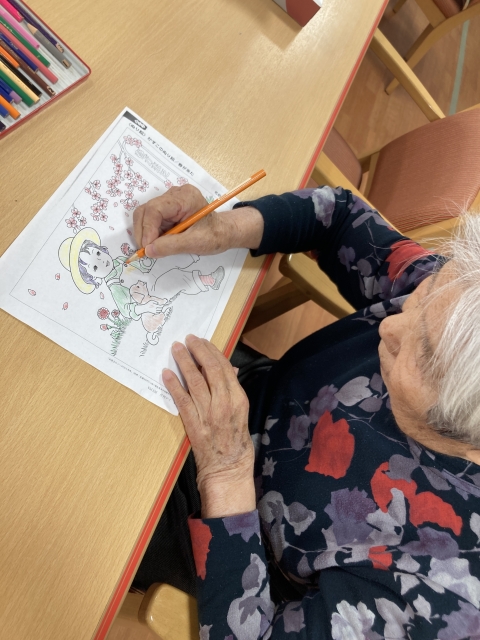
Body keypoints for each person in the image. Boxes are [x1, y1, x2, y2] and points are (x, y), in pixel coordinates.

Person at [132, 184, 480, 639]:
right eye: (420, 296)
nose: (389, 324)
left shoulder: (445, 596)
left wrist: (226, 472)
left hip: (230, 530)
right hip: (246, 397)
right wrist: (224, 227)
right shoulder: (453, 302)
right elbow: (337, 216)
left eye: (422, 351)